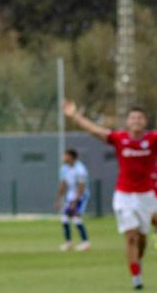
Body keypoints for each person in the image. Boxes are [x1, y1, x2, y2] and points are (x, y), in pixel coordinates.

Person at [64, 101, 156, 290]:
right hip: (124, 195)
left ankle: (136, 262)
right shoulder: (119, 138)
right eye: (133, 118)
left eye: (140, 118)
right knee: (130, 235)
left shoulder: (153, 139)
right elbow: (95, 130)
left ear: (145, 122)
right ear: (127, 122)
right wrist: (74, 115)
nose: (136, 121)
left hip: (146, 196)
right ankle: (136, 277)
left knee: (142, 238)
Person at [55, 148, 90, 252]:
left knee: (76, 218)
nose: (63, 157)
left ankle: (86, 243)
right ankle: (68, 243)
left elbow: (81, 187)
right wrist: (58, 199)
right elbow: (63, 184)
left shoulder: (80, 169)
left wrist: (75, 202)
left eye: (65, 155)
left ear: (71, 157)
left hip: (80, 197)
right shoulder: (64, 169)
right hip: (70, 197)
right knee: (64, 219)